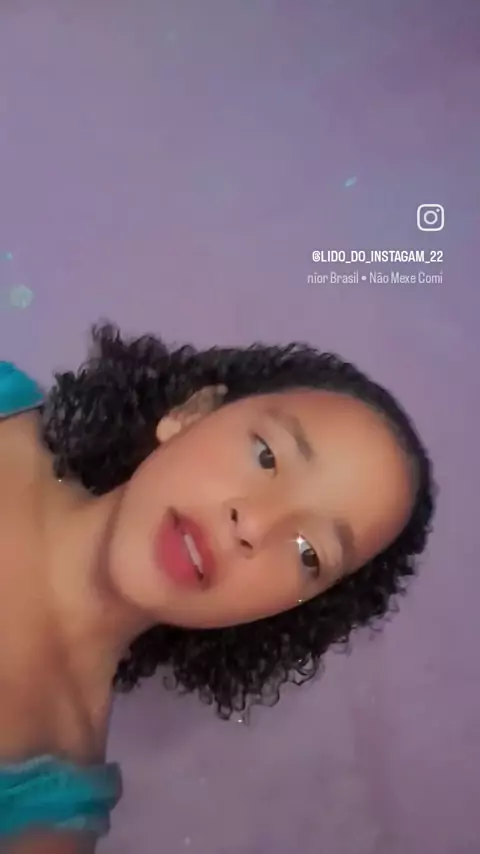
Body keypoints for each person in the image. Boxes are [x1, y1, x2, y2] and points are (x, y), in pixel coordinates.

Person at [0, 324, 435, 852]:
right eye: (267, 456)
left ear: (284, 611)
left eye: (308, 552)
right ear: (193, 413)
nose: (253, 526)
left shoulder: (40, 816)